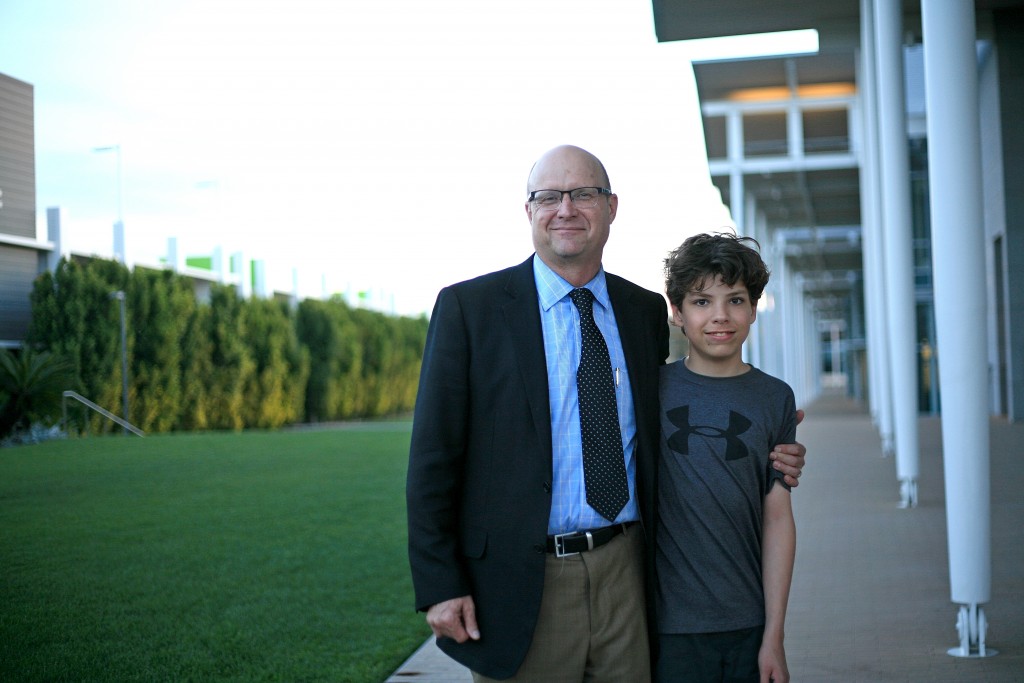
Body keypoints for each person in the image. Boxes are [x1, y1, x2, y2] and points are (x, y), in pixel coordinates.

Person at [406, 145, 806, 682]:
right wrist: (440, 584)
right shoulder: (470, 310)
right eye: (548, 196)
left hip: (629, 575)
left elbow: (680, 411)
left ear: (611, 207)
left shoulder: (640, 313)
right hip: (523, 579)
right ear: (529, 211)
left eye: (584, 194)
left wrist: (770, 447)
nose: (566, 209)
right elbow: (433, 457)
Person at [655, 233, 797, 683]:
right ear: (677, 312)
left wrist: (773, 634)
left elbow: (778, 519)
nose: (720, 316)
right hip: (666, 628)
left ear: (754, 309)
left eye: (735, 300)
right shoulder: (651, 390)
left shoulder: (775, 398)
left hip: (747, 622)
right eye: (701, 301)